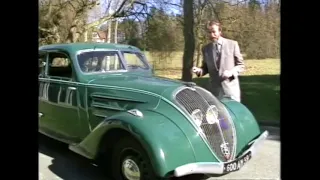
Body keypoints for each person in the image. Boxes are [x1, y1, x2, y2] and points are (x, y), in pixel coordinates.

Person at [193, 21, 245, 102]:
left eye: (214, 32)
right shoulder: (206, 49)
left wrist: (231, 72)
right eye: (209, 32)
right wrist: (199, 71)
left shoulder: (232, 44)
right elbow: (206, 68)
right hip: (214, 92)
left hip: (230, 91)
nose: (211, 35)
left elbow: (241, 66)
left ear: (220, 31)